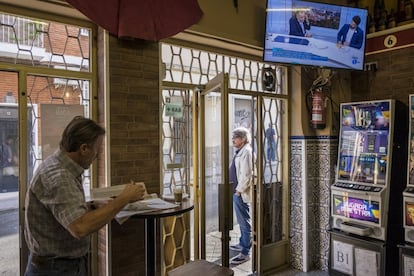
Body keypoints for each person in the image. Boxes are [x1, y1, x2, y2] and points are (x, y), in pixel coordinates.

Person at [24, 116, 146, 276]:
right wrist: (124, 198)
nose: (98, 155)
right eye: (98, 148)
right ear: (84, 149)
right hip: (55, 269)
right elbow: (80, 227)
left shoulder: (61, 166)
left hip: (61, 265)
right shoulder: (60, 176)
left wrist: (92, 206)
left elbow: (60, 211)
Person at [229, 127, 253, 265]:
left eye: (235, 137)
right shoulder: (240, 151)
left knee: (244, 222)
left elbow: (246, 174)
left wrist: (238, 191)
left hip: (240, 193)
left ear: (243, 139)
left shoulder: (246, 152)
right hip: (237, 192)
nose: (233, 139)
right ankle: (242, 242)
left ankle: (245, 252)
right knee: (241, 220)